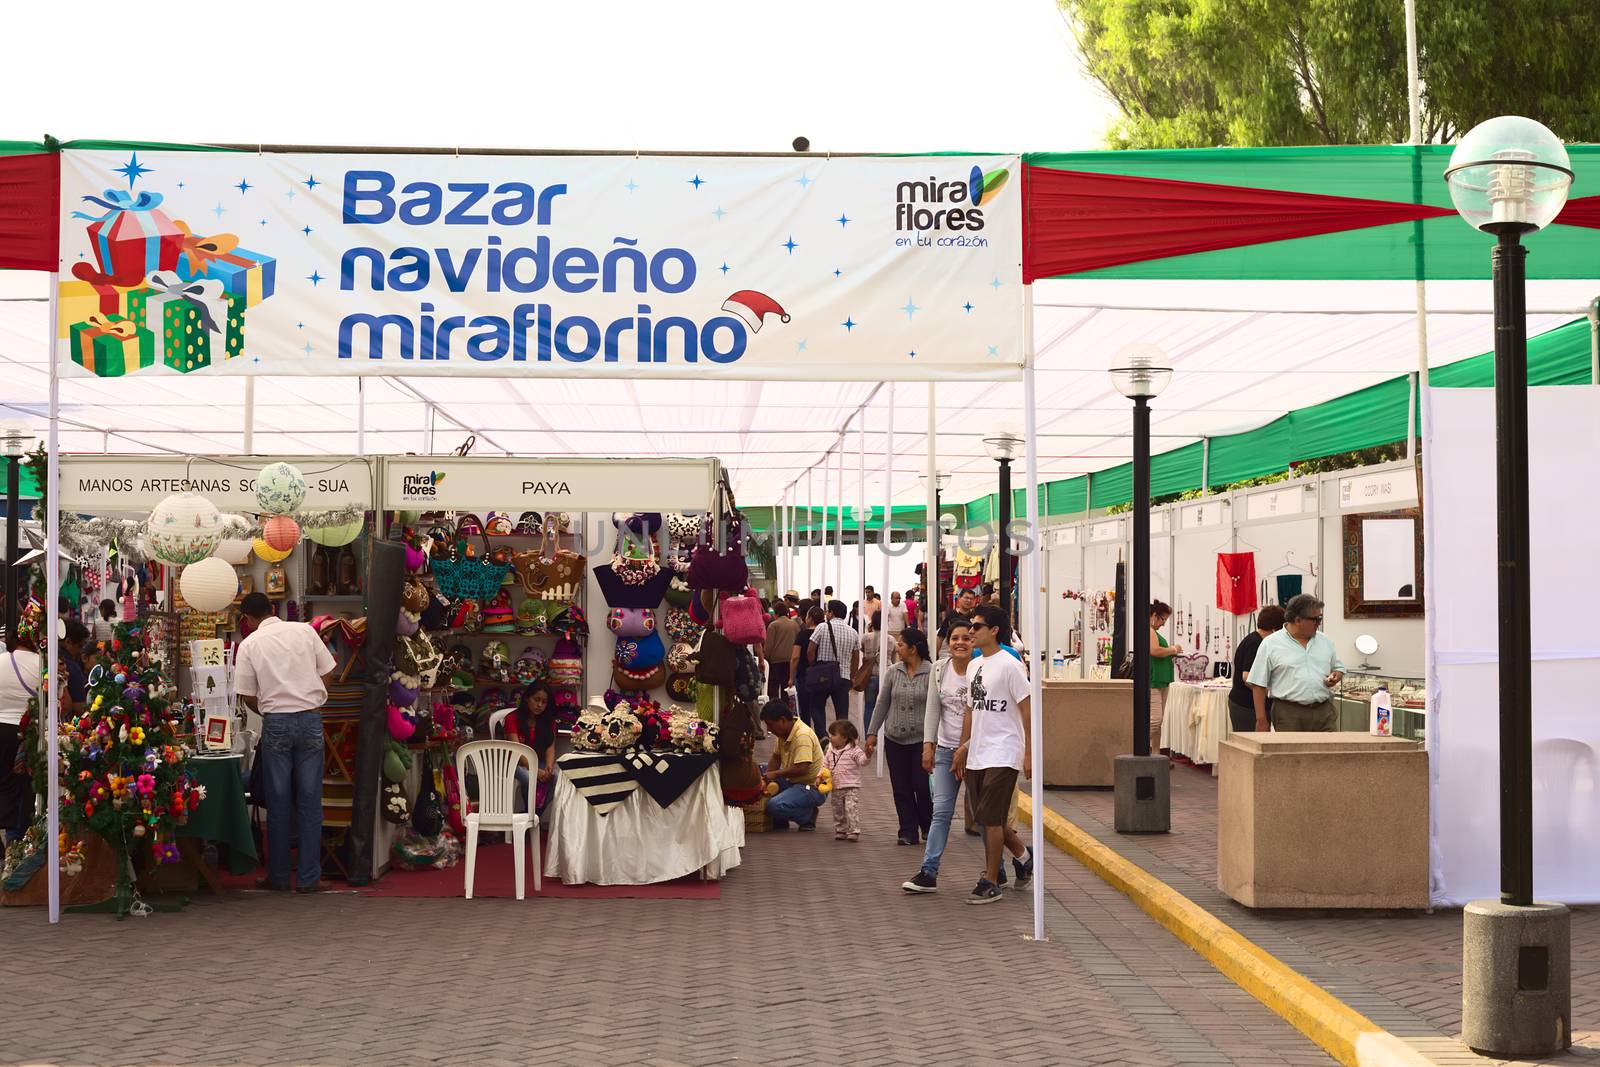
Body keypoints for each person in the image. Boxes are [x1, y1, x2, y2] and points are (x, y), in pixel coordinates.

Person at [234, 592, 337, 893]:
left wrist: (267, 711)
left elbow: (247, 694)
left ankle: (278, 877)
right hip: (309, 719)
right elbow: (330, 670)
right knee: (309, 801)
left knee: (278, 804)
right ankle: (309, 877)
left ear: (247, 619)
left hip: (276, 722)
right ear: (273, 608)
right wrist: (316, 699)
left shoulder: (250, 644)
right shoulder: (305, 631)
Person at [953, 603, 1034, 904]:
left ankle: (990, 879)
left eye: (976, 626)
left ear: (994, 630)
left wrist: (1028, 754)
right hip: (978, 751)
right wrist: (963, 747)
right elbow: (972, 710)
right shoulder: (975, 665)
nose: (970, 631)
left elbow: (1027, 709)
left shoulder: (1010, 665)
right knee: (990, 818)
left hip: (1004, 750)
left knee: (990, 818)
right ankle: (1025, 857)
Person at [903, 614, 973, 893]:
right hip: (945, 750)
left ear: (974, 640)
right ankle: (928, 871)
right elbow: (933, 709)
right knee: (941, 812)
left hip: (976, 753)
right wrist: (928, 745)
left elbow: (983, 715)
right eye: (955, 638)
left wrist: (965, 749)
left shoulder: (980, 670)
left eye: (966, 638)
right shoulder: (940, 670)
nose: (960, 643)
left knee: (985, 816)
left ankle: (1003, 868)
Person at [865, 627, 934, 846]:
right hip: (895, 740)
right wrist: (872, 732)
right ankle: (907, 830)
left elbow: (937, 708)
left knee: (922, 787)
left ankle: (928, 825)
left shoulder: (932, 672)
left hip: (922, 741)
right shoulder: (893, 671)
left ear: (913, 649)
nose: (898, 648)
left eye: (902, 644)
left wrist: (933, 741)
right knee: (901, 788)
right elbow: (882, 703)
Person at [1247, 593, 1343, 732]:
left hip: (1324, 711)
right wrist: (1261, 721)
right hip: (1288, 714)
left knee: (1329, 753)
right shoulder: (1271, 644)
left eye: (1320, 618)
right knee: (1292, 753)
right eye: (1316, 619)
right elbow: (1258, 684)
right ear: (1298, 620)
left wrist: (1336, 676)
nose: (1319, 623)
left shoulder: (1324, 641)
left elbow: (1338, 667)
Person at [0, 601, 45, 846]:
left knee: (4, 783)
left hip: (1, 728)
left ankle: (7, 838)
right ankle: (17, 838)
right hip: (27, 732)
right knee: (24, 785)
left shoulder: (2, 661)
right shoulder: (41, 664)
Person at [760, 702, 826, 831]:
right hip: (794, 782)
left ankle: (808, 816)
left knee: (774, 806)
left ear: (782, 720)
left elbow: (802, 768)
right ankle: (780, 819)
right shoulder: (783, 733)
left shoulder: (802, 735)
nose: (769, 729)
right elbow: (776, 757)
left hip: (812, 787)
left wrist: (775, 774)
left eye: (770, 725)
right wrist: (766, 778)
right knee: (761, 769)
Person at [1229, 606, 1285, 732]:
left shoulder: (1254, 639)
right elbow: (1247, 677)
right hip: (1246, 706)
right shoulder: (1256, 643)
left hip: (1246, 705)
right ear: (1275, 629)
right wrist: (1270, 693)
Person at [504, 682, 557, 814]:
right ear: (527, 698)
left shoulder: (548, 720)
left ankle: (532, 815)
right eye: (536, 700)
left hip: (537, 760)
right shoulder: (512, 718)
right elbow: (517, 750)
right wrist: (535, 770)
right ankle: (531, 817)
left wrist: (549, 767)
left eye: (544, 702)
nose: (539, 705)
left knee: (556, 778)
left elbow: (550, 747)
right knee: (528, 778)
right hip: (513, 763)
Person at [807, 599, 861, 725]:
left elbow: (810, 650)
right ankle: (842, 740)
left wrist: (814, 666)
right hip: (843, 677)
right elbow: (856, 657)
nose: (826, 614)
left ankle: (822, 735)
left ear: (831, 613)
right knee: (842, 714)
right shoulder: (853, 632)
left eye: (827, 612)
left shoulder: (822, 627)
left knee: (816, 707)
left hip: (822, 675)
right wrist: (852, 676)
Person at [1147, 600, 1184, 754]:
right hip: (1154, 681)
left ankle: (1155, 754)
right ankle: (1136, 748)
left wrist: (1170, 652)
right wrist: (1173, 649)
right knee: (1155, 722)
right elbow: (1155, 651)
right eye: (1163, 619)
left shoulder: (1153, 632)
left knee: (1158, 722)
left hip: (1161, 680)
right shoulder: (1148, 630)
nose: (1163, 624)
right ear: (1155, 615)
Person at [824, 720, 869, 841]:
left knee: (851, 808)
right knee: (837, 809)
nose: (830, 737)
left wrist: (868, 755)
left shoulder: (854, 750)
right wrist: (820, 777)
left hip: (851, 786)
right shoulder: (829, 750)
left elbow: (862, 761)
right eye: (830, 734)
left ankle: (854, 831)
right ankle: (840, 829)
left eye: (833, 735)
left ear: (844, 738)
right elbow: (825, 766)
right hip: (836, 786)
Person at [790, 607, 828, 740]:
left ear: (810, 618)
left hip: (804, 675)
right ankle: (821, 735)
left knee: (805, 708)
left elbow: (795, 657)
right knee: (818, 707)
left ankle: (806, 737)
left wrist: (790, 677)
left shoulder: (803, 635)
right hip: (821, 676)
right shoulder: (825, 635)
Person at [763, 605, 798, 703]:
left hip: (775, 662)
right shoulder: (794, 625)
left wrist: (766, 658)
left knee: (773, 688)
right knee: (786, 688)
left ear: (776, 613)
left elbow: (769, 645)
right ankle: (785, 710)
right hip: (790, 662)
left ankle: (774, 710)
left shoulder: (773, 625)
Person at [60, 620, 90, 714]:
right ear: (68, 642)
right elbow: (80, 708)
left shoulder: (44, 657)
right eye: (80, 646)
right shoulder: (72, 667)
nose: (81, 651)